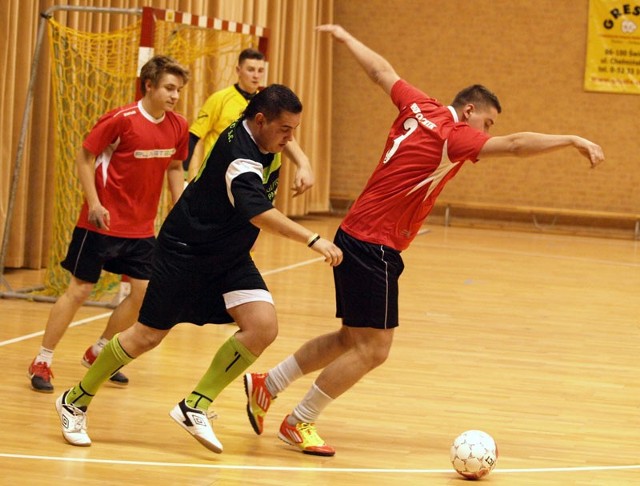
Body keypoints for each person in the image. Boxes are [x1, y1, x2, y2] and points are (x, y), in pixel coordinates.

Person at [242, 24, 605, 457]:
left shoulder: (417, 105)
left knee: (349, 340)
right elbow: (515, 145)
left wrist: (345, 37)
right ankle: (299, 422)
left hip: (358, 234)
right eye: (485, 122)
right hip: (374, 243)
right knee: (374, 349)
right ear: (469, 111)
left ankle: (268, 384)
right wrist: (571, 139)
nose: (485, 133)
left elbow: (381, 72)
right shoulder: (455, 135)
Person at [55, 84, 343, 452]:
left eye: (294, 131)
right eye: (285, 130)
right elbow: (258, 213)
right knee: (147, 336)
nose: (289, 139)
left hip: (229, 255)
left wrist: (303, 162)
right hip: (186, 252)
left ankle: (195, 406)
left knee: (262, 326)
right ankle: (74, 399)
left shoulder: (263, 130)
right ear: (260, 121)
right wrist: (312, 239)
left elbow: (285, 136)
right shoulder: (240, 160)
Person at [28, 55, 190, 393]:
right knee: (80, 290)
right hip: (100, 224)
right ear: (149, 86)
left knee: (143, 293)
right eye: (169, 88)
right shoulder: (121, 120)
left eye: (179, 90)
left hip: (142, 228)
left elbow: (175, 168)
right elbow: (85, 157)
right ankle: (43, 358)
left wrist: (180, 205)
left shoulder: (178, 126)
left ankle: (99, 351)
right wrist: (95, 203)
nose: (175, 96)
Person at [184, 48, 314, 197]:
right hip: (223, 176)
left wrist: (303, 163)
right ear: (238, 70)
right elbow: (193, 137)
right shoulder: (219, 99)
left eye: (260, 70)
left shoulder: (269, 101)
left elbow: (283, 134)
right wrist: (184, 176)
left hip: (258, 178)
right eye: (251, 70)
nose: (256, 75)